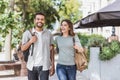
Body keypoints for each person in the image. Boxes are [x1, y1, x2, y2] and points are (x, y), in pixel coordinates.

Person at [21, 12, 55, 80]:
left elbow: (52, 50)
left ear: (44, 21)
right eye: (38, 19)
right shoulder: (27, 33)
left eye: (42, 19)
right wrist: (30, 41)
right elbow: (22, 48)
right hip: (31, 66)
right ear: (34, 20)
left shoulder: (49, 33)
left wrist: (53, 65)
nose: (40, 21)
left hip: (44, 66)